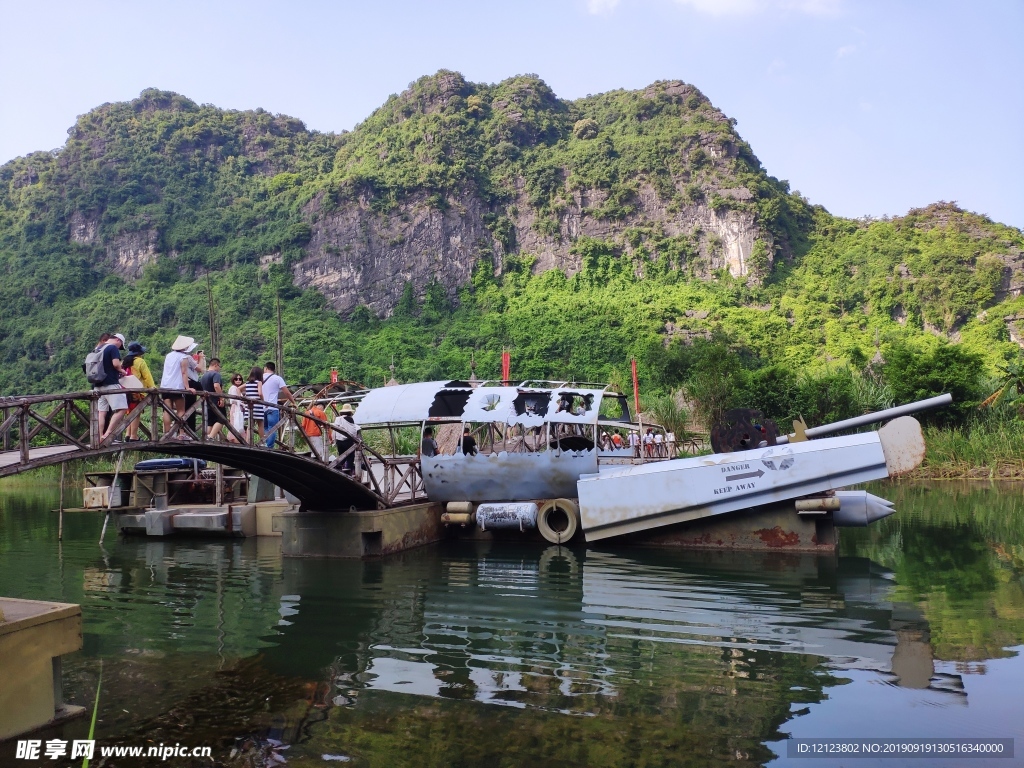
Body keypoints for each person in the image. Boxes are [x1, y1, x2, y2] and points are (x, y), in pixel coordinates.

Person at [160, 335, 202, 438]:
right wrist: (187, 388)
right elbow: (184, 373)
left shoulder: (168, 355)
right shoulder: (184, 357)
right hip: (177, 387)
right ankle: (181, 434)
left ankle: (168, 434)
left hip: (165, 386)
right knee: (181, 411)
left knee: (167, 411)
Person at [90, 333, 127, 445]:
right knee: (122, 408)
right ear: (118, 340)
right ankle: (108, 434)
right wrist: (122, 371)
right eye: (120, 346)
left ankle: (99, 436)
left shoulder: (97, 349)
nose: (119, 348)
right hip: (111, 384)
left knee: (102, 412)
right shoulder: (112, 348)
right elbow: (116, 364)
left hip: (97, 385)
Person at [124, 341, 155, 441]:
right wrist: (152, 387)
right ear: (139, 352)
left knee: (129, 413)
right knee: (136, 414)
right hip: (136, 391)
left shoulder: (125, 361)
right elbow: (147, 377)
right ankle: (134, 436)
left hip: (125, 391)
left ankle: (127, 435)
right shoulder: (140, 361)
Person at [262, 361, 295, 449]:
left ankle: (265, 445)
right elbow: (287, 393)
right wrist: (293, 403)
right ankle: (269, 447)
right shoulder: (277, 378)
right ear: (274, 369)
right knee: (273, 428)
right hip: (273, 408)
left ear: (265, 368)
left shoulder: (259, 377)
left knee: (265, 427)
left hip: (261, 407)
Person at [200, 358, 227, 440]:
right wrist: (221, 398)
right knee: (222, 419)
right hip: (215, 401)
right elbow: (216, 386)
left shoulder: (203, 376)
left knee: (210, 422)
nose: (219, 368)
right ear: (215, 365)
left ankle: (206, 438)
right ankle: (211, 437)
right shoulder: (216, 374)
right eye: (219, 366)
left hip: (206, 402)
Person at [332, 404, 360, 475]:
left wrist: (333, 440)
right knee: (350, 456)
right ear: (350, 412)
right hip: (348, 441)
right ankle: (348, 471)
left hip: (339, 442)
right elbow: (353, 431)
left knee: (341, 455)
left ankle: (338, 467)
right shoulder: (351, 419)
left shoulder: (338, 419)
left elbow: (334, 430)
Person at [244, 367, 265, 444]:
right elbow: (260, 393)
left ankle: (248, 442)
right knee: (260, 425)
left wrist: (243, 398)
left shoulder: (247, 383)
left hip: (249, 407)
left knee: (250, 426)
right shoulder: (259, 382)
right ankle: (263, 442)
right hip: (258, 406)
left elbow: (238, 389)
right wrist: (263, 401)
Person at [227, 373, 246, 442]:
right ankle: (236, 441)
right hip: (236, 408)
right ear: (233, 380)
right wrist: (243, 404)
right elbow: (233, 400)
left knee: (237, 424)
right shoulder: (233, 388)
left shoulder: (238, 389)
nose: (238, 380)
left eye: (240, 379)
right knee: (236, 424)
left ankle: (237, 441)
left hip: (238, 408)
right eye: (236, 379)